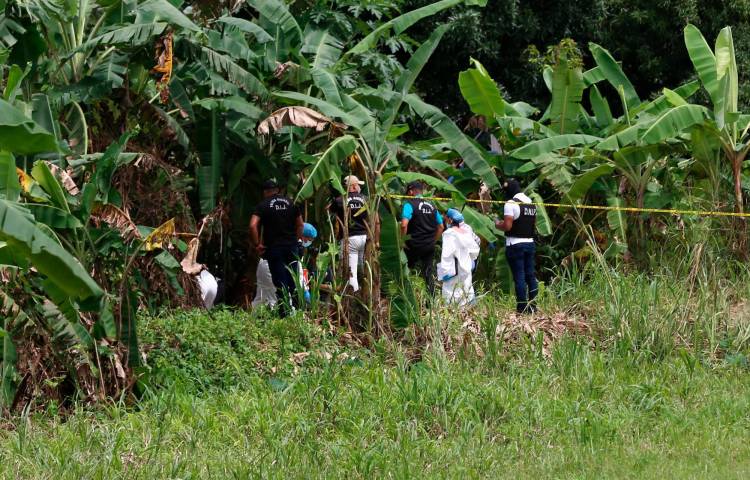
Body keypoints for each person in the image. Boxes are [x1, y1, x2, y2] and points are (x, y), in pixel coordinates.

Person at [249, 179, 303, 310]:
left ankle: (285, 313)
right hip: (291, 247)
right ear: (277, 190)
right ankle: (299, 311)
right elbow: (300, 224)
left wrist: (257, 244)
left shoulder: (263, 205)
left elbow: (252, 225)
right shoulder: (291, 203)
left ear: (265, 192)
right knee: (294, 279)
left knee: (280, 281)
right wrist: (295, 240)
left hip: (275, 249)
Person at [495, 178, 538, 314]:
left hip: (515, 244)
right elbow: (532, 224)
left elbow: (507, 226)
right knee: (530, 276)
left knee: (519, 276)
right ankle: (533, 306)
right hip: (530, 243)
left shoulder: (511, 204)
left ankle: (522, 307)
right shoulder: (531, 204)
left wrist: (497, 224)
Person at [253, 222, 318, 308]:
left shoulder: (285, 235)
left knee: (261, 297)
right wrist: (305, 292)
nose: (309, 242)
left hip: (263, 266)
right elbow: (297, 272)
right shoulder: (297, 246)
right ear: (304, 237)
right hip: (272, 269)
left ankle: (252, 319)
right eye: (310, 239)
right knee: (280, 302)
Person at [400, 181, 444, 294]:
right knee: (428, 274)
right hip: (429, 246)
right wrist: (434, 241)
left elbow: (404, 224)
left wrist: (402, 241)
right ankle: (431, 301)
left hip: (413, 245)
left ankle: (405, 295)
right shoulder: (432, 206)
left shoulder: (409, 204)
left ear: (410, 192)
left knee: (405, 271)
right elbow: (441, 226)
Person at [332, 175, 369, 292]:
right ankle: (366, 294)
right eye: (358, 185)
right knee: (365, 269)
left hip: (350, 239)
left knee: (351, 271)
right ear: (353, 186)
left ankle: (353, 297)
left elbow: (329, 211)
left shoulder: (339, 200)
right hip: (365, 237)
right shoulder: (366, 199)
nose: (359, 187)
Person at [437, 208, 480, 306]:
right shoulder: (466, 231)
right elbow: (475, 249)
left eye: (446, 219)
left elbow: (446, 255)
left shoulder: (449, 233)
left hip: (453, 269)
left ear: (450, 220)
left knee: (451, 292)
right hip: (466, 266)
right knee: (467, 289)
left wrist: (444, 271)